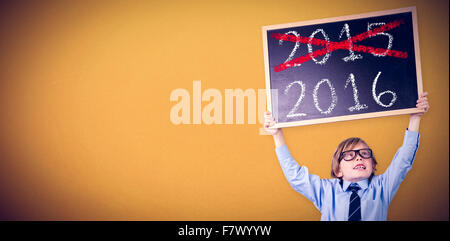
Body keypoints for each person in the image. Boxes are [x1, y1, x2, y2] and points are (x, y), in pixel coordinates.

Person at [264, 92, 430, 221]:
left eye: (365, 154)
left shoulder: (382, 187)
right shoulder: (326, 191)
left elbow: (403, 160)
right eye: (349, 155)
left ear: (372, 166)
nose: (359, 158)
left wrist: (415, 118)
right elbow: (295, 176)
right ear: (338, 171)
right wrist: (277, 134)